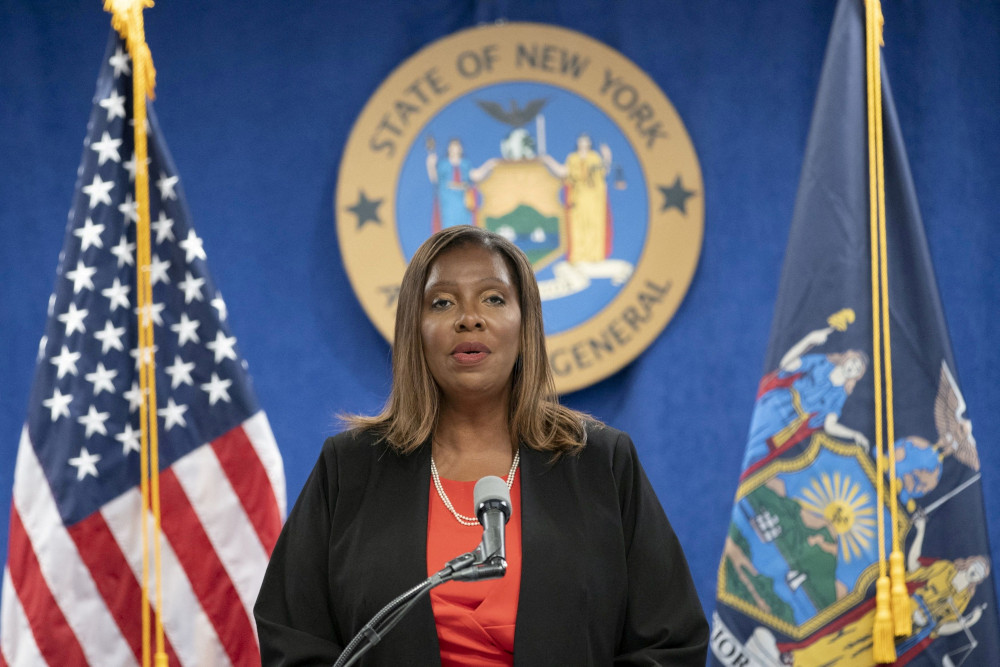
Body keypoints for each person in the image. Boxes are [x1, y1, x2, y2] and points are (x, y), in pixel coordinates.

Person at [254, 226, 708, 665]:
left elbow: (670, 641)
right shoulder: (350, 467)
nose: (469, 318)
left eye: (493, 298)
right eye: (442, 302)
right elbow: (293, 638)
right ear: (416, 329)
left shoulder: (601, 463)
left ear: (524, 324)